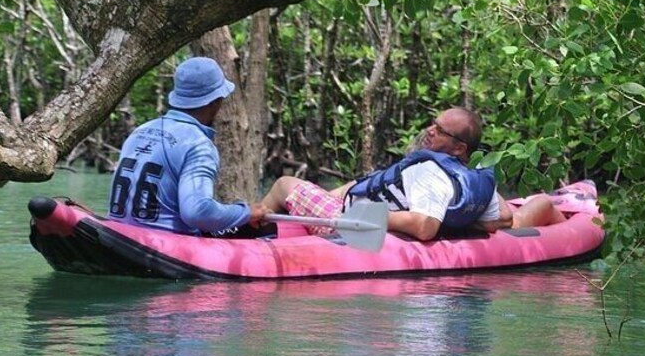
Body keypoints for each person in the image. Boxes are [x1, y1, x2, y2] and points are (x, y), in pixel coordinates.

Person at [261, 107, 511, 241]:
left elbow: (425, 227)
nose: (430, 130)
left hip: (352, 223)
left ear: (459, 148)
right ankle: (266, 226)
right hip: (358, 206)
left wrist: (366, 216)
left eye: (440, 130)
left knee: (284, 184)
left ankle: (247, 231)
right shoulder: (472, 174)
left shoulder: (430, 173)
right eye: (433, 123)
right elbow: (502, 219)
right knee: (344, 188)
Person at [108, 57, 267, 235]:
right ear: (215, 102)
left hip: (121, 233)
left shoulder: (140, 131)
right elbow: (197, 212)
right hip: (166, 246)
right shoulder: (198, 144)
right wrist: (246, 212)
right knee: (261, 231)